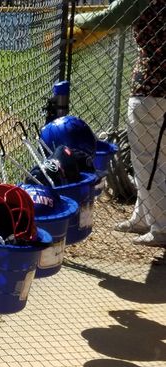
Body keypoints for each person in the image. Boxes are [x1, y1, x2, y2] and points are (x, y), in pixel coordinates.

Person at [74, 0, 166, 247]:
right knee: (153, 158)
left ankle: (161, 228)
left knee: (148, 159)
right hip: (155, 91)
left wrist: (73, 20)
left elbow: (112, 15)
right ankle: (144, 218)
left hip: (151, 89)